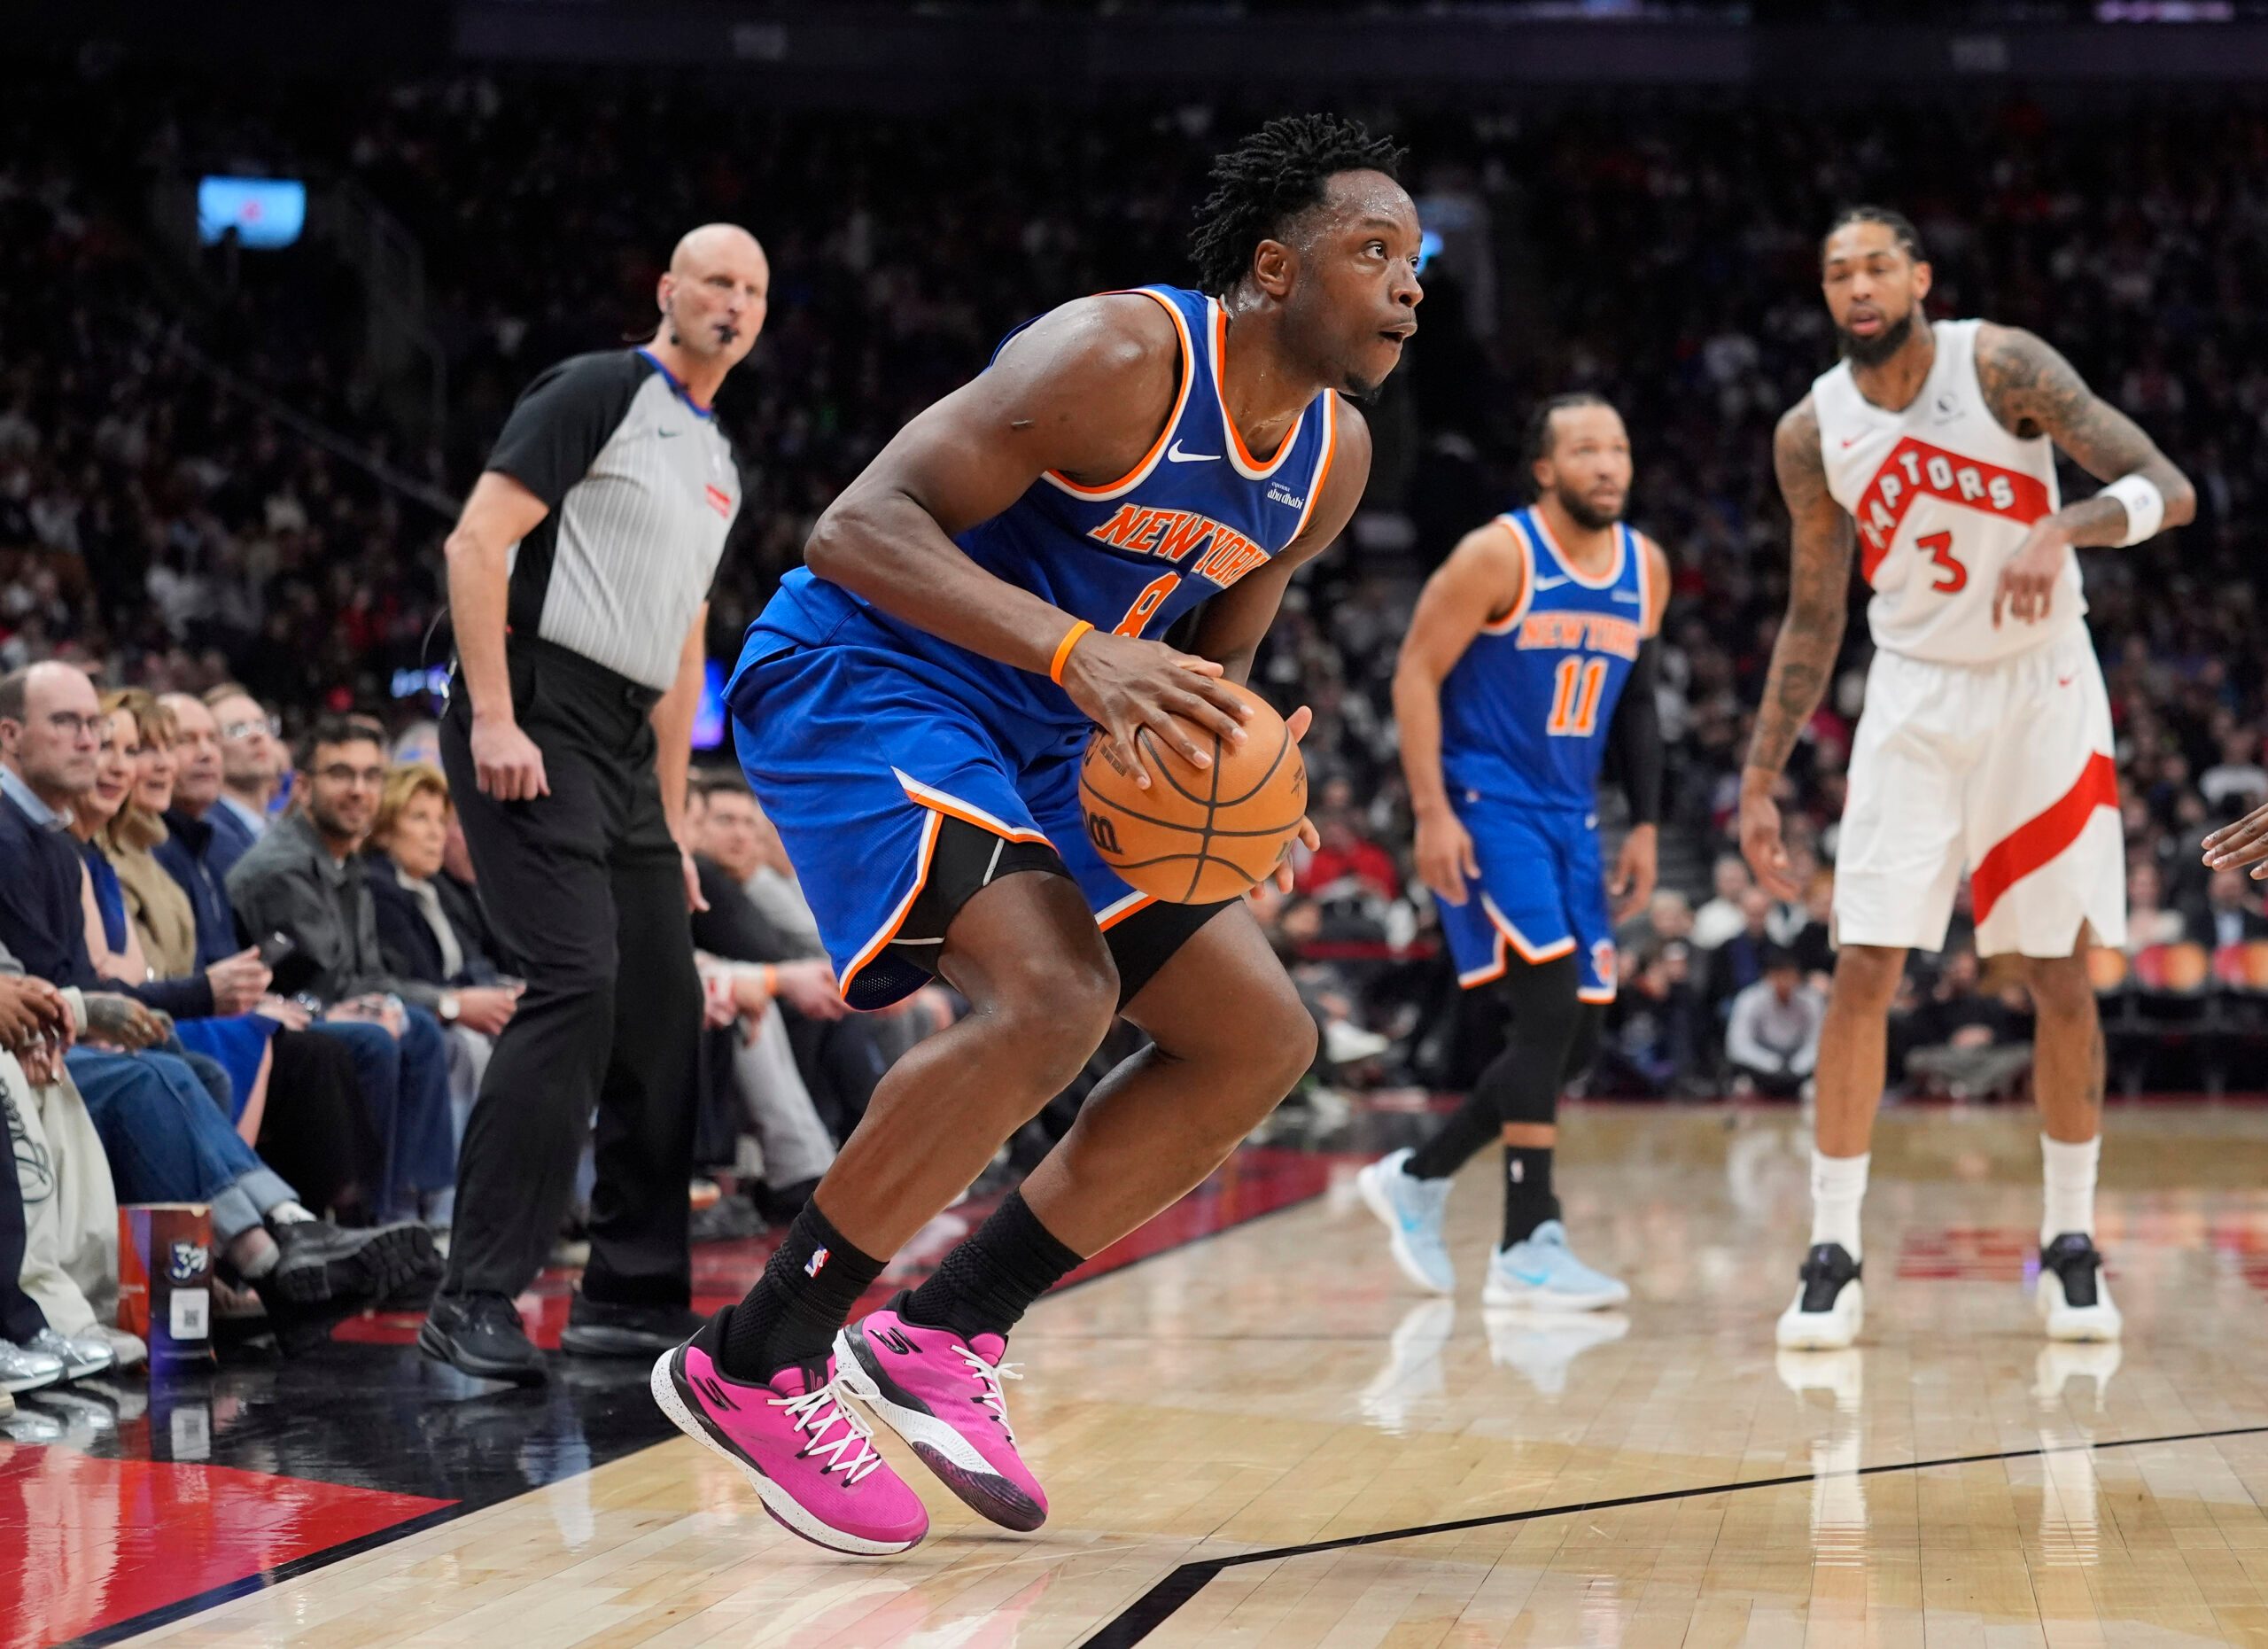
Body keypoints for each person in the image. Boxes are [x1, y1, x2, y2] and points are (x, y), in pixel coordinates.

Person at [656, 114, 1413, 1557]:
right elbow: (854, 527)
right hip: (867, 667)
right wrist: (1081, 655)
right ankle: (757, 1352)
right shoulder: (1120, 358)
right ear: (1273, 267)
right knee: (1056, 998)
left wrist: (1239, 787)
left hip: (1061, 717)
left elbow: (1217, 666)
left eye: (1416, 261)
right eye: (1372, 250)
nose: (1408, 281)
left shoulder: (1333, 460)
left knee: (1258, 1037)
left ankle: (944, 1331)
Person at [1740, 206, 2194, 1350]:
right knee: (1862, 966)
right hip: (1910, 690)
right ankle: (1832, 1251)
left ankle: (2070, 1244)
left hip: (2041, 687)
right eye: (1836, 268)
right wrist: (1759, 772)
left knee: (2053, 971)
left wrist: (2069, 527)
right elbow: (1813, 612)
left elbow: (2166, 487)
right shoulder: (1813, 430)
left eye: (1876, 264)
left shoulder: (1999, 363)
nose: (1856, 284)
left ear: (1919, 278)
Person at [419, 224, 764, 1381]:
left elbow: (682, 642)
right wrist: (496, 713)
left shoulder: (717, 456)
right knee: (575, 982)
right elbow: (477, 542)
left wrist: (669, 821)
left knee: (664, 1002)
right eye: (716, 280)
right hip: (536, 702)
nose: (735, 301)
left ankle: (630, 1294)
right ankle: (473, 1297)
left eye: (754, 289)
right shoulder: (599, 388)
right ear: (668, 291)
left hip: (624, 742)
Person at [0, 664, 439, 1324]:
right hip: (48, 1042)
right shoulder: (29, 835)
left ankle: (273, 1246)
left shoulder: (68, 844)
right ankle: (268, 1254)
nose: (94, 745)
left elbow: (54, 977)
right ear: (10, 734)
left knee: (192, 1062)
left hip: (69, 1032)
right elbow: (51, 980)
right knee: (175, 1066)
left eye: (100, 727)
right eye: (71, 724)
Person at [1355, 393, 1667, 1310]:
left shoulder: (1643, 565)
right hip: (1488, 799)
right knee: (1546, 1010)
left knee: (1581, 1034)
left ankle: (1419, 1175)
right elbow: (1414, 668)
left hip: (1573, 816)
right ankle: (1528, 1239)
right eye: (1584, 449)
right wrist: (1431, 810)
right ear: (1545, 468)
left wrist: (1644, 820)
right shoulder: (1498, 553)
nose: (1607, 463)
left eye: (1617, 446)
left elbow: (1638, 703)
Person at [228, 718, 461, 1224]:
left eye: (371, 776)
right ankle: (365, 1220)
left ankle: (413, 1210)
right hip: (278, 1022)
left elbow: (368, 974)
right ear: (305, 786)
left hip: (320, 1011)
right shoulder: (282, 865)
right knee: (377, 1036)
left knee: (415, 1029)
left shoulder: (344, 859)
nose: (359, 790)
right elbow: (321, 979)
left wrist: (385, 1002)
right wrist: (379, 1004)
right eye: (341, 774)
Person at [1725, 946, 1825, 1098]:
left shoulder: (1812, 1001)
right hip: (1761, 1064)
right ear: (1768, 977)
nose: (1784, 982)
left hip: (1798, 1064)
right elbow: (1738, 1045)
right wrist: (1773, 1063)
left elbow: (1817, 1042)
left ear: (1798, 977)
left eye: (1789, 976)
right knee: (1740, 1073)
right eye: (1779, 976)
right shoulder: (1749, 999)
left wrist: (1797, 1065)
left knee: (1822, 1068)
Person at [206, 683, 284, 846]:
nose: (256, 735)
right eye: (237, 729)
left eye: (262, 724)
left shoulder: (281, 826)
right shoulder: (209, 833)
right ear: (211, 749)